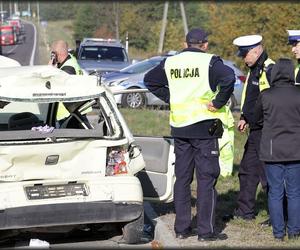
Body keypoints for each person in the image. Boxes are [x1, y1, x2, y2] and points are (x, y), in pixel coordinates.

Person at [144, 28, 235, 241]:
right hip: (204, 127)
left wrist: (171, 98)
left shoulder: (170, 62)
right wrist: (218, 102)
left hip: (180, 127)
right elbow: (229, 78)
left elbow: (150, 80)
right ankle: (206, 232)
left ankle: (182, 229)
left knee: (182, 179)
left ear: (186, 44)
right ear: (204, 45)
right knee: (206, 179)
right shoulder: (210, 62)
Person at [255, 58, 300, 241]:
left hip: (272, 149)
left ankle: (278, 233)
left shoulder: (266, 95)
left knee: (275, 192)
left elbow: (256, 119)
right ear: (291, 74)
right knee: (295, 191)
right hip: (296, 149)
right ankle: (295, 231)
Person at [232, 34, 274, 221]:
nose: (243, 57)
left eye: (245, 53)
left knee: (269, 175)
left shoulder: (269, 69)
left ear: (257, 50)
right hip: (255, 130)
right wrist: (244, 117)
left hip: (269, 130)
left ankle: (280, 215)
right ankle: (244, 211)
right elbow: (250, 97)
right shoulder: (254, 68)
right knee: (247, 170)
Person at [49, 40, 83, 122]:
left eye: (52, 54)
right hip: (75, 111)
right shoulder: (70, 59)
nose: (51, 56)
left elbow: (53, 87)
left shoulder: (67, 69)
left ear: (56, 54)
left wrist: (50, 70)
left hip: (67, 114)